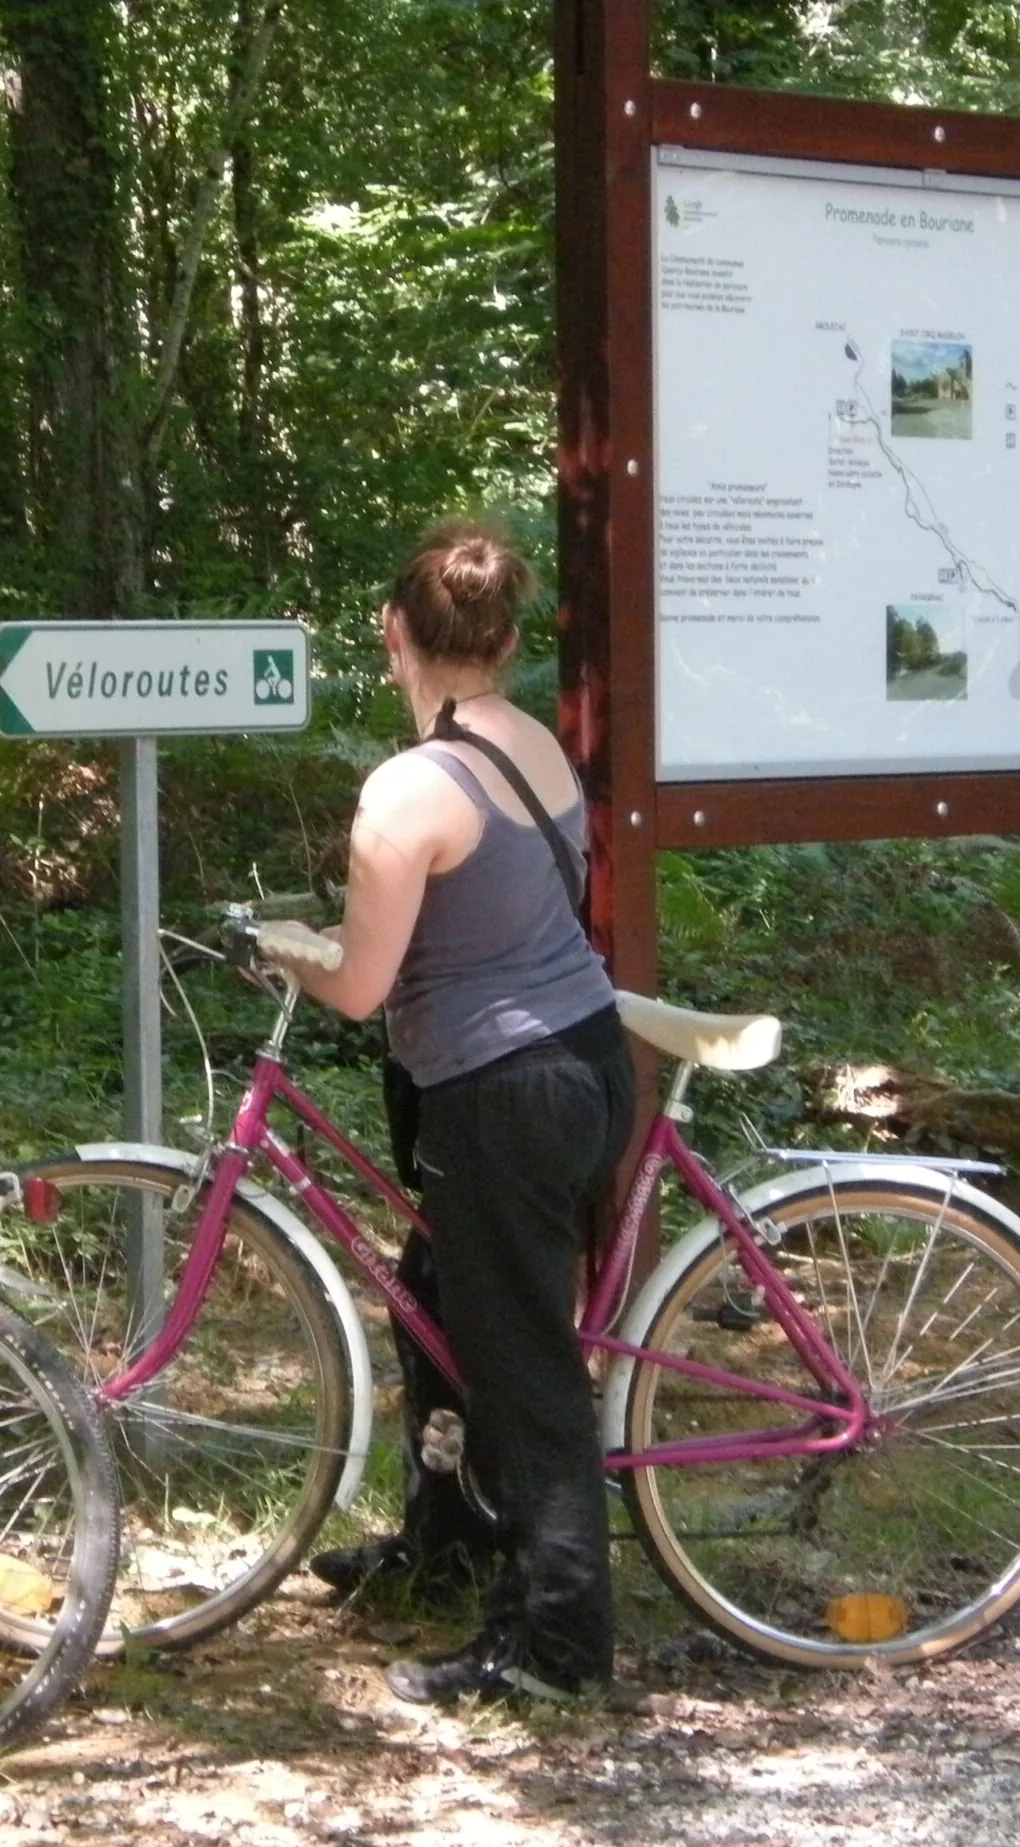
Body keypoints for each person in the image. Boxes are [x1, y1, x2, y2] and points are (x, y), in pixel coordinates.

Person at [262, 521, 634, 1705]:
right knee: (434, 1301)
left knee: (522, 1364)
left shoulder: (408, 789)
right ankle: (447, 1537)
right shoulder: (535, 746)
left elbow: (364, 987)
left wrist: (291, 957)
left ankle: (558, 1644)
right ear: (509, 641)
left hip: (501, 1091)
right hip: (580, 1055)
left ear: (392, 634)